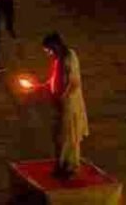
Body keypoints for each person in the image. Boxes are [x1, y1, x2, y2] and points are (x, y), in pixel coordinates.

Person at [43, 32, 89, 179]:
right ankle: (61, 164)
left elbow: (74, 82)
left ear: (55, 46)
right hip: (60, 104)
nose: (48, 53)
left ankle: (70, 167)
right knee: (59, 136)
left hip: (69, 104)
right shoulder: (58, 59)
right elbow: (55, 78)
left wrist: (63, 97)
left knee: (69, 136)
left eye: (49, 50)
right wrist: (45, 86)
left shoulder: (70, 57)